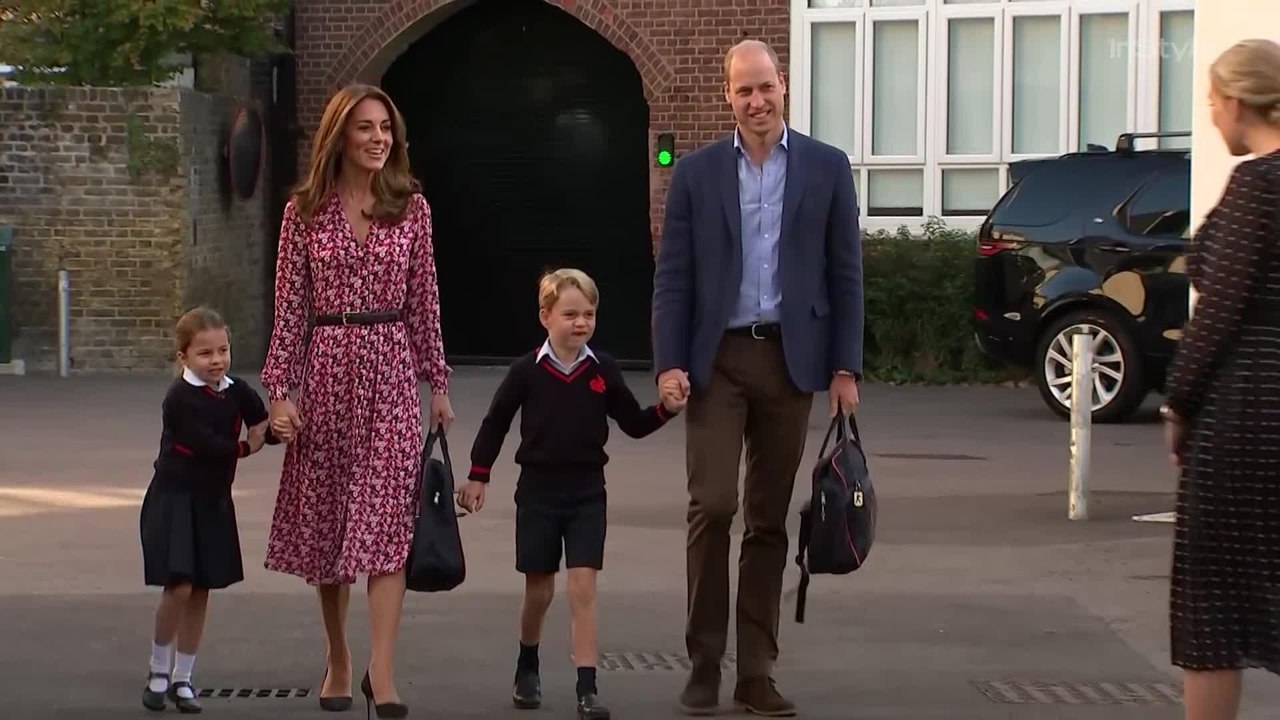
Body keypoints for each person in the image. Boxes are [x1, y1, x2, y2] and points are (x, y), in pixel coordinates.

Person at [651, 39, 864, 717]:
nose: (756, 101)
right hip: (717, 362)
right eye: (743, 91)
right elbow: (674, 278)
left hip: (791, 362)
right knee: (713, 505)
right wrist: (668, 364)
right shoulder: (697, 174)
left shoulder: (827, 169)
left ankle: (756, 671)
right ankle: (704, 661)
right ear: (727, 97)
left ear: (784, 86)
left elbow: (846, 272)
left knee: (768, 520)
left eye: (765, 87)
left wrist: (845, 366)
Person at [261, 83, 455, 718]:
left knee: (386, 529)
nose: (380, 139)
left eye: (387, 128)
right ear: (339, 135)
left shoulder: (412, 208)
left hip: (392, 374)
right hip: (326, 374)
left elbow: (425, 302)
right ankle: (339, 657)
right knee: (329, 528)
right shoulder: (303, 212)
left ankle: (383, 668)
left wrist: (439, 385)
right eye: (366, 128)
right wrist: (279, 392)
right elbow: (289, 310)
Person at [458, 268, 687, 720]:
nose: (581, 322)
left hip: (587, 494)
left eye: (589, 314)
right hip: (538, 494)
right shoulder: (527, 370)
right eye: (570, 314)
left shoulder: (603, 370)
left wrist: (666, 409)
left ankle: (588, 687)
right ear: (545, 316)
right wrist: (478, 475)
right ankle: (527, 662)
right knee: (540, 590)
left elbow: (634, 424)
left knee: (583, 587)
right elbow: (496, 422)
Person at [1161, 38, 1280, 720]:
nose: (1210, 114)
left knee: (1212, 608)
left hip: (1250, 409)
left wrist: (1179, 401)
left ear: (1237, 103)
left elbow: (1221, 308)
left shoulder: (1258, 183)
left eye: (1210, 101)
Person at [139, 306, 278, 713]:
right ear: (183, 357)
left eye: (223, 350)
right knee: (178, 583)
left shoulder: (235, 389)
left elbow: (261, 421)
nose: (217, 360)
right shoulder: (179, 398)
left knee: (201, 588)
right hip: (175, 498)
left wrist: (279, 428)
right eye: (205, 354)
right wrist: (246, 446)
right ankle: (158, 669)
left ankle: (184, 677)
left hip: (212, 500)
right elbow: (204, 446)